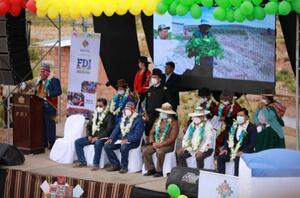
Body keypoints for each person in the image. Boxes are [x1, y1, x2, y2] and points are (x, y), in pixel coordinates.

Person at [20, 61, 62, 149]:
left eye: (43, 71)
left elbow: (58, 91)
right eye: (41, 71)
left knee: (50, 126)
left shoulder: (54, 80)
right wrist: (24, 86)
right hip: (39, 107)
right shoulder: (38, 80)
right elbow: (31, 86)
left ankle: (52, 144)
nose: (41, 73)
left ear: (48, 72)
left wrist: (48, 93)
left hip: (50, 107)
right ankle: (44, 143)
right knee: (42, 126)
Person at [73, 98, 115, 170]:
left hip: (103, 138)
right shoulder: (94, 114)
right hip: (92, 136)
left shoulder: (110, 116)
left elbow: (108, 130)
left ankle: (96, 164)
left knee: (98, 143)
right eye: (97, 106)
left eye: (100, 106)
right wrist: (89, 135)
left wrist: (97, 137)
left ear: (105, 106)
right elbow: (88, 126)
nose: (98, 107)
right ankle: (82, 161)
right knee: (77, 142)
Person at [104, 102, 144, 173]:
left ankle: (124, 167)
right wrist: (111, 138)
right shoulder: (123, 117)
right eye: (126, 109)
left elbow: (137, 136)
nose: (127, 111)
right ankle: (115, 164)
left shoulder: (138, 120)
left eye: (129, 109)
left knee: (124, 147)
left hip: (133, 141)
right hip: (121, 139)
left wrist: (127, 139)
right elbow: (116, 129)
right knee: (107, 145)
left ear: (133, 110)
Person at [142, 102, 179, 177]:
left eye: (163, 113)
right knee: (145, 150)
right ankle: (151, 169)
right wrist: (152, 142)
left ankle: (159, 171)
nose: (161, 114)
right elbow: (151, 133)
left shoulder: (174, 123)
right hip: (156, 143)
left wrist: (160, 144)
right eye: (161, 112)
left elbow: (172, 139)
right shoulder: (157, 120)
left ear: (168, 114)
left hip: (168, 145)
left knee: (159, 152)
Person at [216, 108, 257, 176]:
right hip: (233, 152)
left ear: (246, 117)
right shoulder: (234, 126)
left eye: (241, 115)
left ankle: (237, 180)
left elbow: (253, 143)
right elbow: (228, 138)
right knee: (220, 158)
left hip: (245, 153)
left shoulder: (252, 127)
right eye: (238, 116)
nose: (239, 117)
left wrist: (243, 152)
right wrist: (225, 148)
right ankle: (221, 178)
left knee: (238, 159)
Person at [214, 90, 241, 155]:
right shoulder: (220, 105)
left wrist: (225, 118)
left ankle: (224, 150)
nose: (223, 102)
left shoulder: (236, 106)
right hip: (219, 125)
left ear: (230, 100)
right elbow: (215, 113)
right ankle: (216, 151)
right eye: (222, 100)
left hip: (231, 126)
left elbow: (235, 119)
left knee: (225, 134)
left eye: (225, 100)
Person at [144, 68, 166, 138]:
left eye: (155, 77)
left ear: (159, 79)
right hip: (149, 116)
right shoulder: (150, 89)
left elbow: (167, 104)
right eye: (152, 77)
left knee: (156, 134)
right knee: (148, 132)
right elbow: (146, 103)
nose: (153, 79)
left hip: (159, 116)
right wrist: (146, 114)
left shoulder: (164, 90)